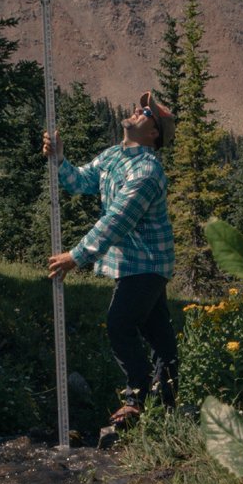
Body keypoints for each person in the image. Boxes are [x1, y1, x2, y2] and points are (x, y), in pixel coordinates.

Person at [45, 90, 179, 430]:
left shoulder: (148, 172)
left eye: (146, 112)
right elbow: (80, 182)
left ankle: (136, 399)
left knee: (120, 323)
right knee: (158, 335)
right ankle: (169, 403)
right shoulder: (113, 156)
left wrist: (75, 256)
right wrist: (60, 159)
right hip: (133, 265)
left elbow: (117, 221)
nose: (137, 110)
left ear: (153, 135)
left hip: (147, 264)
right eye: (140, 106)